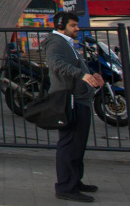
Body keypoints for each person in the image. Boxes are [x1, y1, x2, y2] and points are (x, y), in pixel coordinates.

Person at [43, 11, 103, 202]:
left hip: (79, 99)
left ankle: (75, 181)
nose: (77, 29)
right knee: (69, 144)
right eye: (73, 25)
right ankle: (65, 187)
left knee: (78, 144)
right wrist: (82, 75)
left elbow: (74, 64)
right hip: (70, 101)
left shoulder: (66, 43)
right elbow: (54, 63)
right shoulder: (56, 43)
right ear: (61, 26)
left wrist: (91, 75)